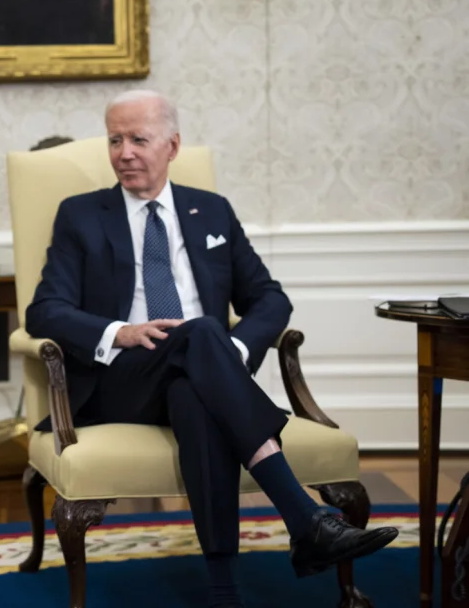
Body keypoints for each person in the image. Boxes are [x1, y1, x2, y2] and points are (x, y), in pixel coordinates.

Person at [25, 90, 398, 607]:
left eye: (139, 139)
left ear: (172, 146)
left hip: (201, 372)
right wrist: (121, 332)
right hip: (120, 380)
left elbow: (269, 298)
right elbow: (44, 311)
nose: (124, 152)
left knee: (195, 393)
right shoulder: (82, 215)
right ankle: (303, 516)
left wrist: (237, 352)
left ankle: (224, 592)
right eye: (115, 140)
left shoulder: (212, 212)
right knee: (203, 332)